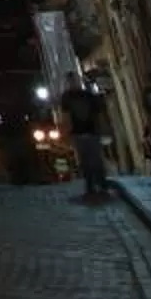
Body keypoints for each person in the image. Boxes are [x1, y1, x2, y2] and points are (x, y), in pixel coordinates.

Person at [60, 71, 111, 203]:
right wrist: (67, 132)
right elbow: (65, 116)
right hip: (78, 132)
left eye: (75, 80)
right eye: (71, 81)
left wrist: (102, 128)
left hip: (92, 131)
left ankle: (102, 186)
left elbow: (97, 113)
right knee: (85, 161)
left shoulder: (87, 95)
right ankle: (90, 188)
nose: (73, 83)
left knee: (96, 160)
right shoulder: (66, 97)